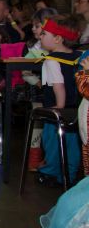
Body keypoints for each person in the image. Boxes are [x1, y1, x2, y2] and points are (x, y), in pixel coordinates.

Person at [37, 16, 82, 186]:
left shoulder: (52, 60)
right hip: (76, 109)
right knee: (72, 143)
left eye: (44, 33)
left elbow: (58, 85)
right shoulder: (78, 56)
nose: (40, 36)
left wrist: (59, 106)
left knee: (51, 141)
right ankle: (69, 173)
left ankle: (51, 172)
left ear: (57, 38)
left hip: (57, 109)